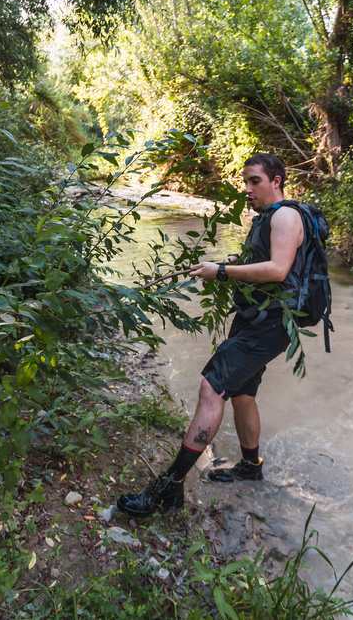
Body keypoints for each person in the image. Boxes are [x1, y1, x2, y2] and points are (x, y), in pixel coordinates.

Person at [117, 153, 306, 518]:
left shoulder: (284, 215)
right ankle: (251, 468)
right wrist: (232, 264)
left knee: (212, 387)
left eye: (255, 181)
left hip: (270, 323)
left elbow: (280, 269)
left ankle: (169, 488)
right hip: (259, 317)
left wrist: (220, 271)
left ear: (277, 181)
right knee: (242, 393)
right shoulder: (267, 218)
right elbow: (268, 264)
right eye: (246, 181)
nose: (247, 189)